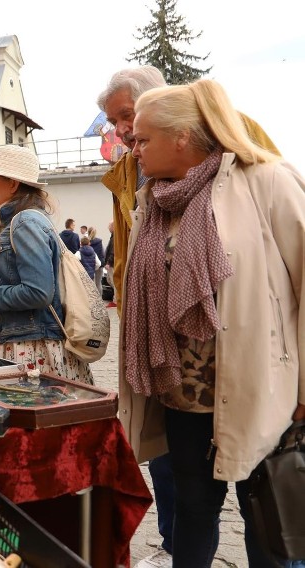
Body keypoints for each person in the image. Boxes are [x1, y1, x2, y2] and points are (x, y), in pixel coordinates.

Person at [97, 65, 281, 568]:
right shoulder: (147, 193)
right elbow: (131, 270)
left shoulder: (258, 174)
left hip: (251, 385)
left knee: (264, 511)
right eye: (120, 127)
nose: (127, 139)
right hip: (180, 391)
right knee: (190, 511)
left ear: (181, 133)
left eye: (135, 128)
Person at [0, 145, 93, 383]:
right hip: (25, 345)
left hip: (31, 351)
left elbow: (37, 293)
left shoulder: (24, 222)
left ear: (13, 184)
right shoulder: (21, 221)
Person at [88, 227, 105, 296]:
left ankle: (93, 300)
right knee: (98, 283)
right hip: (99, 264)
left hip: (89, 265)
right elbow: (102, 254)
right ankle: (100, 300)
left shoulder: (86, 242)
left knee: (90, 284)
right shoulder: (99, 242)